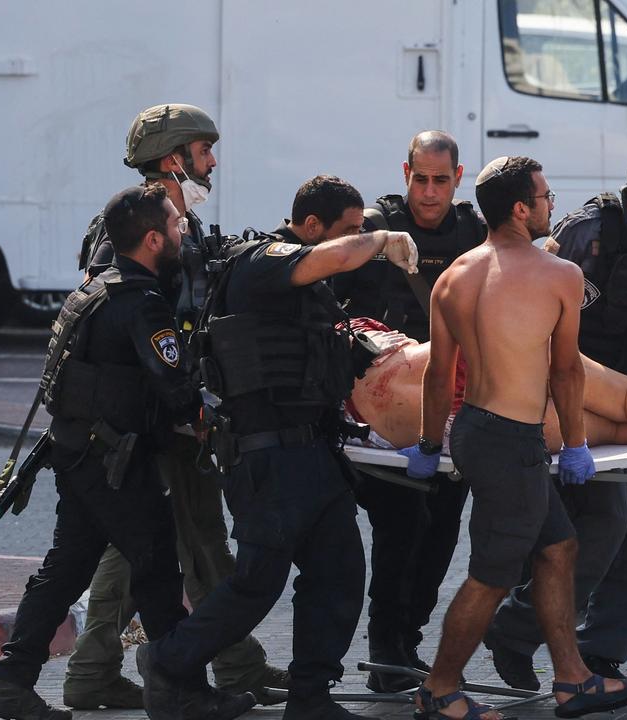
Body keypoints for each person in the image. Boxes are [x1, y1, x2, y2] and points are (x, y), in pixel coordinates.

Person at [136, 191, 421, 720]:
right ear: (311, 225)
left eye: (363, 229)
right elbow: (334, 256)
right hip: (266, 457)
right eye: (350, 228)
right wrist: (381, 240)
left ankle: (311, 697)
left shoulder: (310, 289)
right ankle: (168, 661)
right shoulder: (261, 261)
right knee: (257, 583)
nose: (357, 238)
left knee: (338, 573)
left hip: (313, 451)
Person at [0, 185, 253, 720]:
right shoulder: (140, 303)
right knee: (157, 569)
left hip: (81, 453)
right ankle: (180, 691)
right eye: (174, 227)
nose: (181, 233)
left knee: (66, 568)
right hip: (112, 462)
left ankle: (10, 683)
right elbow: (175, 388)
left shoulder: (94, 289)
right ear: (152, 239)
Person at [398, 156, 627, 720]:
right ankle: (438, 689)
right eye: (543, 197)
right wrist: (580, 443)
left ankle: (573, 679)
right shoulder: (559, 275)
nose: (550, 205)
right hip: (511, 443)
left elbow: (440, 375)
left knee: (558, 549)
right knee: (490, 574)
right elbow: (567, 372)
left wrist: (427, 445)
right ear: (520, 208)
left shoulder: (454, 276)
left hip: (476, 432)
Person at [66, 104, 287, 709]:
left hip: (176, 408)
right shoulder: (136, 227)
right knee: (155, 543)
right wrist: (178, 403)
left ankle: (231, 663)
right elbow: (125, 319)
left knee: (192, 538)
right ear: (173, 159)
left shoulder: (179, 221)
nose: (212, 160)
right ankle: (102, 671)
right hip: (151, 416)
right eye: (203, 149)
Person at [485, 136, 627, 689]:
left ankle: (601, 655)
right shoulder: (584, 235)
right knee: (606, 523)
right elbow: (530, 312)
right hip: (565, 395)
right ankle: (516, 632)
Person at [331, 130, 488, 692]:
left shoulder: (474, 230)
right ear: (405, 174)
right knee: (402, 525)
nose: (428, 192)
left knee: (444, 526)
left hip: (452, 407)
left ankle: (407, 638)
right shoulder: (373, 229)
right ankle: (385, 641)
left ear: (458, 178)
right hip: (382, 411)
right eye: (419, 179)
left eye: (440, 180)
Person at [343, 317, 627, 451]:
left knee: (612, 432)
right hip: (471, 357)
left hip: (456, 426)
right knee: (621, 396)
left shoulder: (338, 406)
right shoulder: (358, 327)